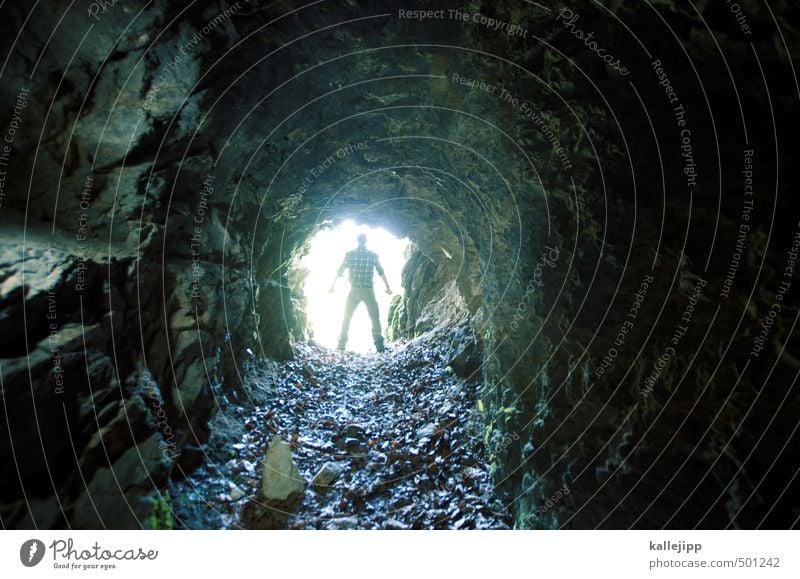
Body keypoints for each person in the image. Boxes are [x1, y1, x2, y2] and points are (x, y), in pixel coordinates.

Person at [329, 233, 392, 352]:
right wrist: (387, 287)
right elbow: (381, 272)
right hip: (369, 291)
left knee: (347, 317)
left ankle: (341, 345)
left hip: (354, 291)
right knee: (374, 318)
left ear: (357, 241)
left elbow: (340, 271)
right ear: (366, 241)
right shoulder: (373, 255)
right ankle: (379, 346)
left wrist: (332, 286)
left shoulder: (349, 255)